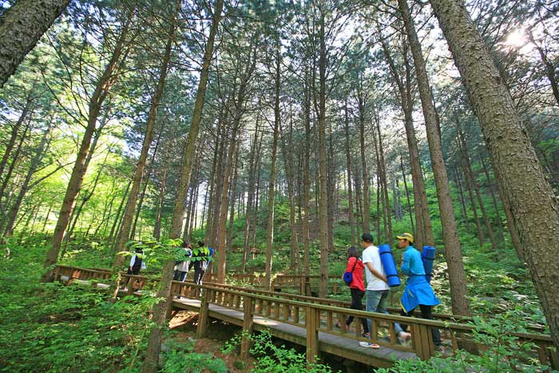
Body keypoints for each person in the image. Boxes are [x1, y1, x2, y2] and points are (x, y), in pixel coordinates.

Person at [359, 233, 410, 349]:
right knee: (383, 311)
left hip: (375, 287)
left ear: (365, 241)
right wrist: (386, 281)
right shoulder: (379, 251)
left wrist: (383, 278)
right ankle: (401, 333)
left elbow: (371, 269)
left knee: (369, 314)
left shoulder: (367, 252)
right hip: (385, 287)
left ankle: (373, 341)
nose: (362, 244)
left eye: (362, 241)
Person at [396, 232, 441, 346]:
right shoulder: (416, 252)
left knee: (406, 311)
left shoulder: (407, 254)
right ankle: (436, 342)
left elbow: (405, 270)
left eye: (401, 239)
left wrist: (402, 263)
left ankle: (400, 338)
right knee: (427, 315)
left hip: (414, 286)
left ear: (406, 241)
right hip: (424, 285)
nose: (399, 241)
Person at [341, 246, 370, 338]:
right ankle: (347, 323)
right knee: (354, 306)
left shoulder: (352, 260)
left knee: (359, 310)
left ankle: (367, 330)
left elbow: (348, 272)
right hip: (361, 288)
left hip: (355, 287)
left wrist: (344, 276)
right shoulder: (360, 261)